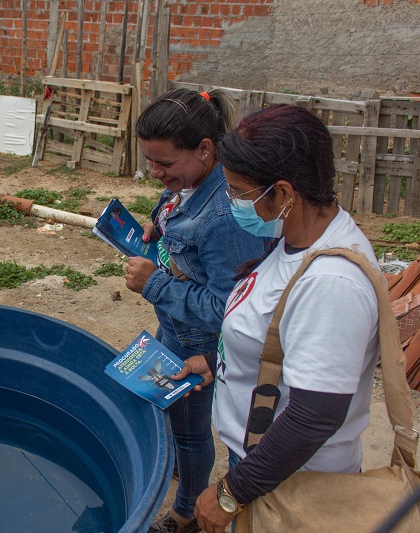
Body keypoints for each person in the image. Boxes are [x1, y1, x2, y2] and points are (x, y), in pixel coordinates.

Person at [175, 104, 380, 533]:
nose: (232, 203)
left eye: (239, 193)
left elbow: (315, 415)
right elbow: (282, 339)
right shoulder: (296, 241)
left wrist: (233, 491)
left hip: (297, 486)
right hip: (263, 467)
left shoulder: (332, 283)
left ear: (284, 194)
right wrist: (220, 363)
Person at [124, 89, 268, 533]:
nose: (155, 172)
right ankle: (180, 470)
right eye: (150, 161)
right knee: (162, 408)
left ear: (205, 149)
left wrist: (155, 284)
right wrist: (157, 226)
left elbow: (230, 309)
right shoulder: (190, 186)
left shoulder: (225, 216)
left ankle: (185, 512)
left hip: (200, 344)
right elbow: (176, 216)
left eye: (164, 164)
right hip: (173, 328)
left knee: (189, 430)